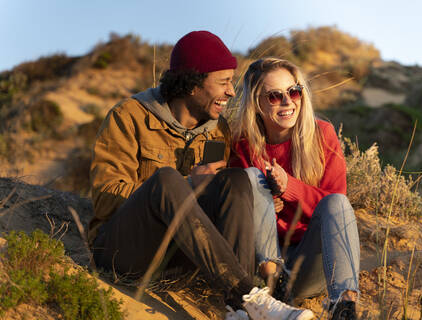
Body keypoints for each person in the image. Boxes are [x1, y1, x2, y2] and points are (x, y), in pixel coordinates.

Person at [88, 31, 315, 320]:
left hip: (182, 257)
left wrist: (263, 202)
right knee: (167, 180)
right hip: (123, 253)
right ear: (193, 84)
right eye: (223, 83)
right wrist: (185, 187)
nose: (231, 92)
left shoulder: (217, 131)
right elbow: (105, 199)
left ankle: (239, 310)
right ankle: (248, 297)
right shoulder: (129, 116)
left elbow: (221, 201)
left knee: (237, 181)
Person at [230, 57, 360, 320]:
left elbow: (335, 212)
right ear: (256, 104)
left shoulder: (322, 134)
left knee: (337, 203)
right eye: (275, 96)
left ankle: (344, 307)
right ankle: (271, 287)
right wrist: (266, 206)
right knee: (252, 179)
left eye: (294, 91)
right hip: (262, 266)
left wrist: (290, 188)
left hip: (309, 264)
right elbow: (235, 212)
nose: (289, 102)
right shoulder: (242, 145)